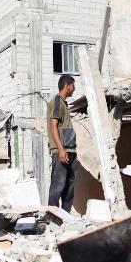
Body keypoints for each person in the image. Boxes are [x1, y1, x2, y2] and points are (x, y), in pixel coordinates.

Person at [47, 74, 78, 210]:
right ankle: (52, 215)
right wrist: (60, 150)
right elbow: (53, 126)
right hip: (62, 150)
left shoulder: (64, 103)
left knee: (69, 185)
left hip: (70, 149)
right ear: (67, 86)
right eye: (73, 86)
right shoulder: (57, 101)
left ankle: (65, 215)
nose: (74, 89)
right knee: (58, 184)